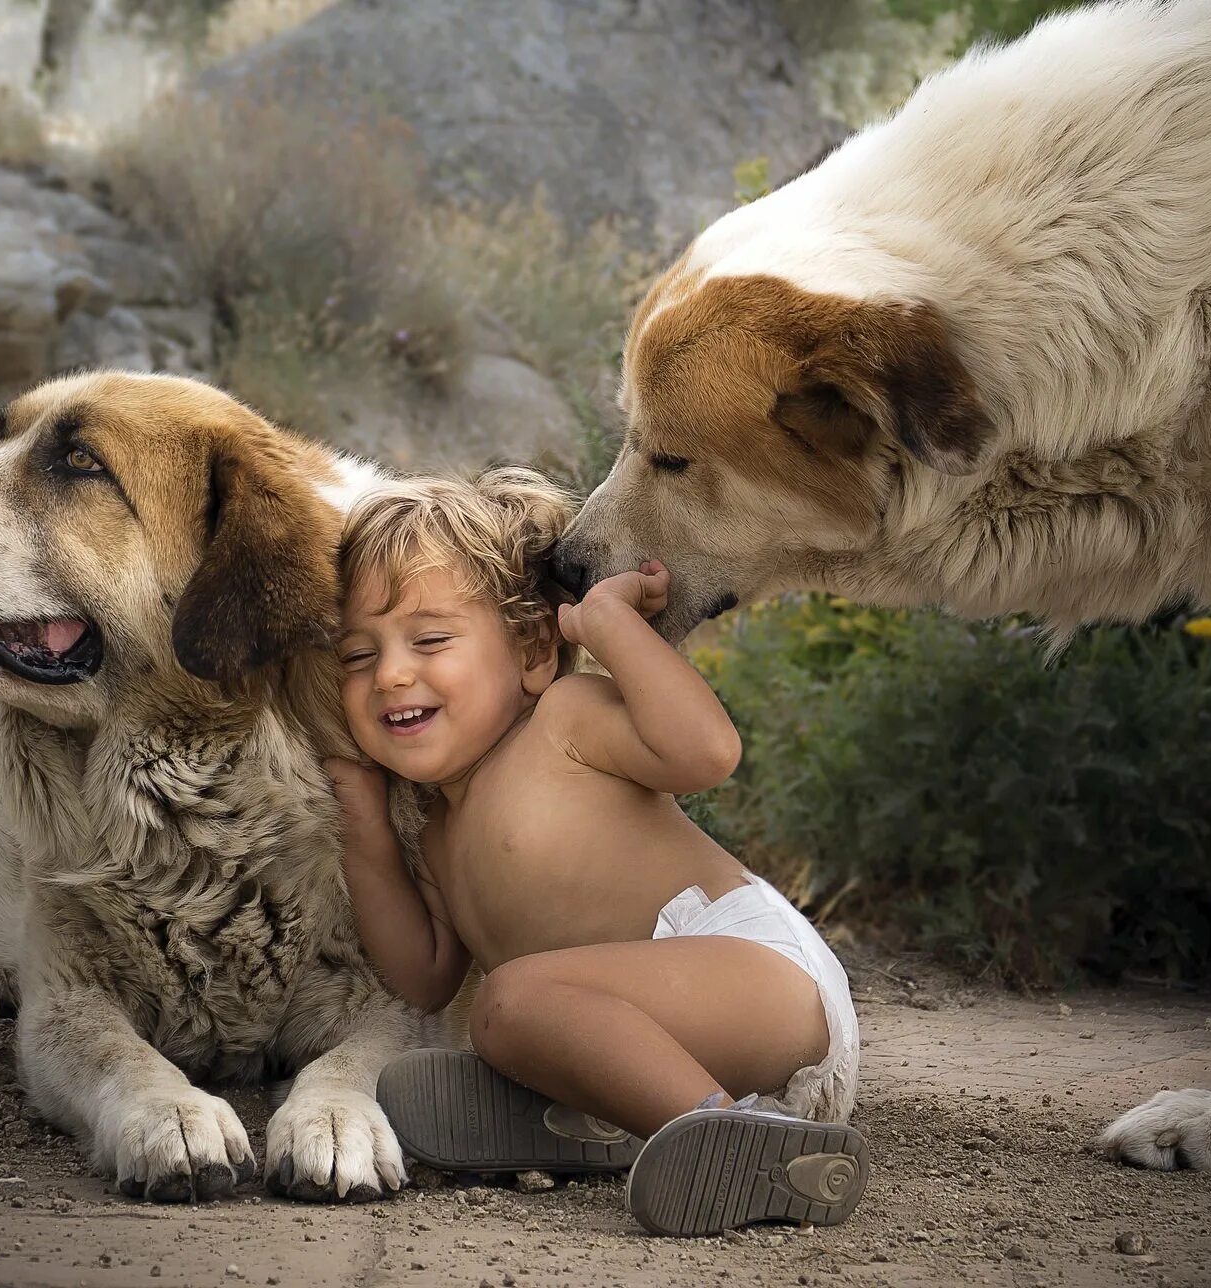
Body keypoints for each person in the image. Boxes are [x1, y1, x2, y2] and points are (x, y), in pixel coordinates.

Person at [326, 467, 866, 1236]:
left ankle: (727, 1139)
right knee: (507, 1014)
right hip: (673, 1028)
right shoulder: (438, 835)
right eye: (356, 657)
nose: (391, 675)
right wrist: (369, 833)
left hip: (756, 972)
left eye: (431, 639)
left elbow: (706, 752)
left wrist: (613, 629)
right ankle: (613, 1125)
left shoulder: (565, 722)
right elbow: (423, 975)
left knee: (511, 1004)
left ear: (535, 651)